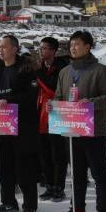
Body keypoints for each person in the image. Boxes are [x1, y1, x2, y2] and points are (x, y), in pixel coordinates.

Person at [51, 31, 106, 212]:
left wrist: (91, 103)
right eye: (71, 44)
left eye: (77, 44)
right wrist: (53, 104)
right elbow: (59, 96)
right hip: (71, 129)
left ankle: (103, 210)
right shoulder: (64, 72)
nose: (73, 47)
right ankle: (77, 208)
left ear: (88, 47)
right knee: (76, 172)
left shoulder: (101, 70)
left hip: (92, 130)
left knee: (98, 172)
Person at [0, 35, 40, 212]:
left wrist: (7, 100)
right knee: (2, 166)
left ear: (15, 48)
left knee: (24, 167)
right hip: (0, 124)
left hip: (22, 125)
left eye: (4, 47)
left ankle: (30, 204)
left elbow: (30, 96)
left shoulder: (25, 69)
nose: (0, 50)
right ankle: (8, 201)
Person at [36, 37, 69, 202]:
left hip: (57, 112)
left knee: (59, 154)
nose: (42, 51)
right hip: (40, 114)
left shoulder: (63, 68)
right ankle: (49, 185)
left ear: (54, 51)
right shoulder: (38, 68)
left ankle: (59, 187)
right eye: (41, 48)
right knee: (44, 154)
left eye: (46, 48)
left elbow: (58, 89)